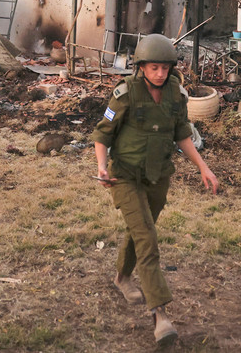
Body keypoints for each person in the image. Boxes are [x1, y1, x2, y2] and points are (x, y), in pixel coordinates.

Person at [90, 33, 219, 346]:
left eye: (165, 68)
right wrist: (102, 166)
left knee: (141, 229)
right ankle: (160, 315)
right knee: (147, 238)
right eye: (154, 68)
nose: (160, 73)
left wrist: (203, 167)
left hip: (158, 176)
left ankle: (122, 276)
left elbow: (182, 134)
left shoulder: (176, 94)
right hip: (125, 177)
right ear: (141, 67)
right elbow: (101, 134)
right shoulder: (125, 94)